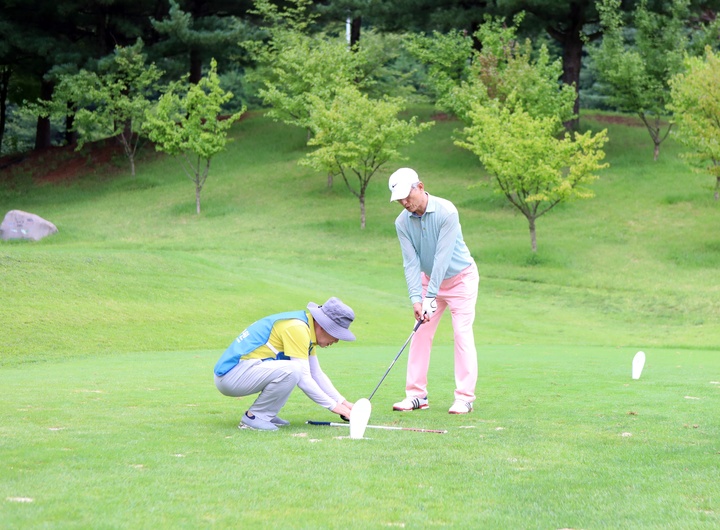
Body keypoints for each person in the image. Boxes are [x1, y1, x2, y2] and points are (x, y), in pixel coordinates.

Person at [388, 167, 479, 415]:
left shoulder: (447, 212)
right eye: (399, 200)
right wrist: (417, 299)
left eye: (408, 196)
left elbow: (442, 257)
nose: (405, 203)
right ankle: (417, 395)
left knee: (461, 334)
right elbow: (410, 263)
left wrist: (430, 297)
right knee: (419, 333)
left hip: (461, 280)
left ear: (420, 186)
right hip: (429, 281)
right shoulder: (401, 223)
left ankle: (464, 398)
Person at [214, 297, 356, 431]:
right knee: (293, 370)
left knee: (294, 370)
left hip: (241, 373)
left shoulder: (306, 329)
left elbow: (316, 373)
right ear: (322, 325)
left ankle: (266, 415)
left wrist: (344, 403)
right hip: (230, 376)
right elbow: (305, 379)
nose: (337, 340)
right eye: (336, 333)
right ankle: (255, 417)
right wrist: (335, 407)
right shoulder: (297, 328)